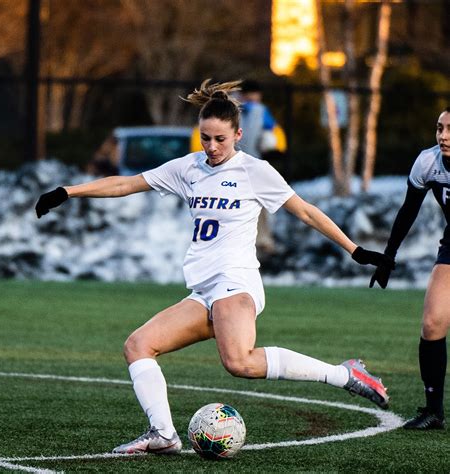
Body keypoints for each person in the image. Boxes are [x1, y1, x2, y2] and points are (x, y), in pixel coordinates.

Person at [35, 79, 394, 456]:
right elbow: (127, 184)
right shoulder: (187, 167)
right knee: (138, 346)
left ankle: (345, 374)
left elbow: (305, 211)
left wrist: (355, 250)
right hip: (204, 290)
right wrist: (68, 191)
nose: (211, 147)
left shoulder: (256, 171)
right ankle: (162, 434)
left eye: (220, 139)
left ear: (238, 134)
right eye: (205, 138)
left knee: (238, 362)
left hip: (236, 282)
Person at [370, 107, 450, 430]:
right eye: (440, 128)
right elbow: (408, 212)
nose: (444, 136)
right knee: (431, 325)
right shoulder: (428, 162)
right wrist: (389, 256)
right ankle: (433, 411)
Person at [238, 79, 284, 259]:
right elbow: (270, 135)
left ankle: (250, 241)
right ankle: (263, 241)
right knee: (259, 202)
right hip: (253, 165)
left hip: (229, 165)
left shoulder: (228, 107)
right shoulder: (260, 110)